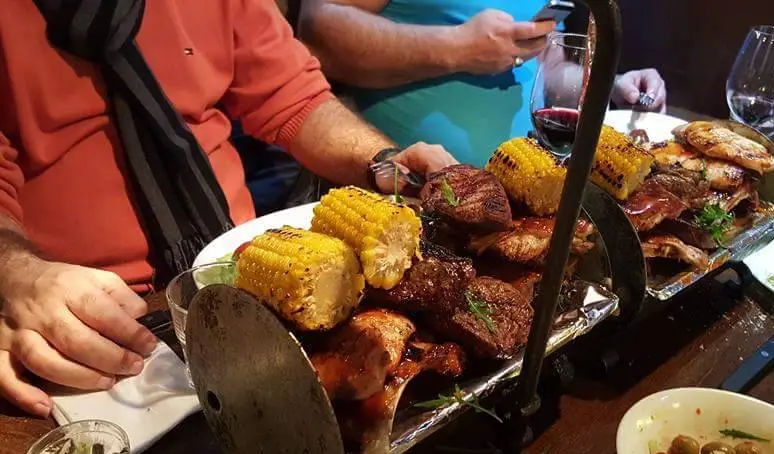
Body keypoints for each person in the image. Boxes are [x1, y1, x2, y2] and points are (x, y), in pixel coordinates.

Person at [0, 0, 456, 416]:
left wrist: (381, 163)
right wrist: (19, 276)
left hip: (241, 277)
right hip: (88, 317)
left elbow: (289, 94)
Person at [299, 0, 668, 167]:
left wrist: (608, 86)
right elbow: (317, 31)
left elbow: (548, 65)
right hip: (409, 191)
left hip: (522, 195)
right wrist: (457, 48)